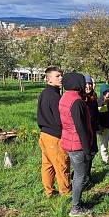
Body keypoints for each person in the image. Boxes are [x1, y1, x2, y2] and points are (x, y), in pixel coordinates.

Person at [59, 72, 93, 217]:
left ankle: (77, 201)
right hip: (77, 144)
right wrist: (87, 150)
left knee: (78, 175)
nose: (84, 84)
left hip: (68, 141)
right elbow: (81, 128)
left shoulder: (65, 97)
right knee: (81, 176)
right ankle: (76, 208)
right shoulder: (77, 102)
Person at [37, 66, 71, 198]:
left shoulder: (45, 93)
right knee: (62, 164)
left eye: (61, 75)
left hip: (44, 135)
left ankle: (49, 192)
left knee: (48, 165)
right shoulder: (54, 96)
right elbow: (60, 119)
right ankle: (66, 192)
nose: (61, 78)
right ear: (48, 79)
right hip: (54, 136)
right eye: (57, 76)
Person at [84, 75, 99, 181]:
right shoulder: (81, 98)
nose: (88, 86)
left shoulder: (94, 96)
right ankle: (82, 176)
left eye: (90, 84)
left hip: (92, 129)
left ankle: (87, 174)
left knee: (93, 152)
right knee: (86, 155)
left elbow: (96, 113)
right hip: (84, 131)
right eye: (86, 84)